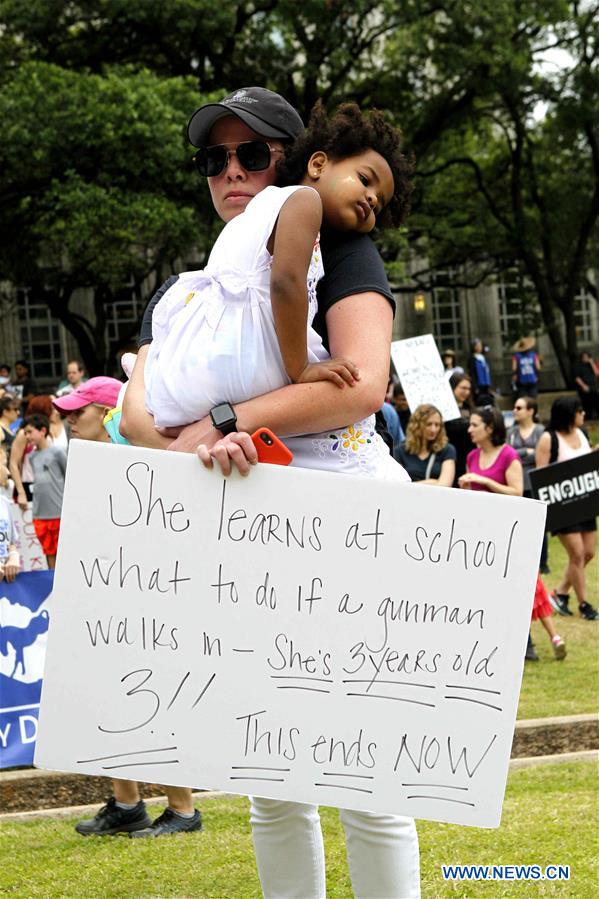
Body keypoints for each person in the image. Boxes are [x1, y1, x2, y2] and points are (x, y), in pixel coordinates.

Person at [122, 88, 420, 898]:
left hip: (343, 530)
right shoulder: (196, 285)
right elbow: (138, 414)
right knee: (271, 777)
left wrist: (227, 420)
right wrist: (198, 439)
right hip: (241, 539)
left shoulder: (340, 248)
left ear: (294, 162)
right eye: (213, 158)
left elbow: (360, 385)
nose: (229, 171)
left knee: (367, 773)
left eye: (250, 154)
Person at [51, 377, 203, 837]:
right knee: (108, 692)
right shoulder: (89, 463)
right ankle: (126, 803)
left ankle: (182, 810)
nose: (69, 420)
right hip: (105, 594)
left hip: (148, 595)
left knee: (151, 692)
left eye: (79, 412)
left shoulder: (140, 458)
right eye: (67, 413)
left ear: (106, 413)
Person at [535, 396, 598, 620]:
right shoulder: (548, 439)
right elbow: (541, 474)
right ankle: (584, 604)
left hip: (584, 501)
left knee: (588, 553)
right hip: (562, 504)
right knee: (577, 554)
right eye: (579, 411)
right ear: (568, 414)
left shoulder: (581, 434)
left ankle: (560, 593)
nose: (583, 414)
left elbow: (585, 463)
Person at [507, 395, 549, 572]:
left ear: (531, 411)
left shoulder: (540, 431)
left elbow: (542, 454)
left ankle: (542, 562)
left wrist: (520, 454)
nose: (514, 411)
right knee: (517, 523)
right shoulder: (511, 432)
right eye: (514, 407)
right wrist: (527, 452)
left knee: (539, 523)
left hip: (534, 482)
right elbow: (508, 454)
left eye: (519, 408)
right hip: (515, 483)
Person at [21, 414, 67, 569]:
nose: (27, 436)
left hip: (59, 512)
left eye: (30, 432)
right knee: (49, 552)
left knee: (63, 553)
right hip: (40, 514)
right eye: (25, 433)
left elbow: (69, 476)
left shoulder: (58, 452)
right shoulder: (31, 456)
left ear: (42, 431)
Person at [9, 396, 68, 510]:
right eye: (51, 409)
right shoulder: (24, 434)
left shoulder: (46, 431)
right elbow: (13, 463)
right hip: (29, 484)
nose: (55, 412)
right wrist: (21, 492)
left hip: (51, 485)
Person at [459, 406, 523, 496]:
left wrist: (486, 481)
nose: (469, 430)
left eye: (475, 425)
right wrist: (466, 488)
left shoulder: (509, 455)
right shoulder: (472, 456)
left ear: (490, 428)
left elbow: (517, 493)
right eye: (470, 425)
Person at [394, 403, 456, 485]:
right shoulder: (400, 451)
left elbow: (445, 484)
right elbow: (398, 484)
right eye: (429, 424)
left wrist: (412, 485)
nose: (433, 429)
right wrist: (430, 482)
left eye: (437, 425)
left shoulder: (447, 450)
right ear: (417, 425)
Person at [444, 372, 475, 487]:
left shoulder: (472, 410)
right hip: (449, 459)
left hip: (468, 459)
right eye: (463, 388)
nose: (466, 392)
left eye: (468, 389)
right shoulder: (443, 410)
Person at [574, 350, 599, 420]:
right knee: (586, 404)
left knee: (596, 402)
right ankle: (587, 418)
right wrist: (583, 386)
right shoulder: (578, 366)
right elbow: (577, 378)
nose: (586, 358)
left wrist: (592, 363)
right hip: (584, 387)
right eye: (584, 357)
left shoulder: (591, 365)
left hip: (593, 387)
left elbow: (597, 373)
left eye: (587, 357)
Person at [467, 339, 492, 404]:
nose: (479, 347)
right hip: (478, 384)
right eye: (477, 346)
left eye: (480, 346)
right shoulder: (472, 358)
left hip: (485, 384)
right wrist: (474, 386)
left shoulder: (484, 357)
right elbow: (472, 373)